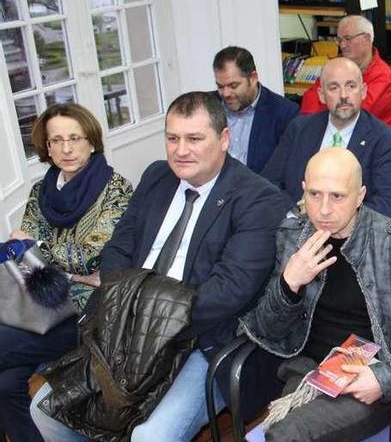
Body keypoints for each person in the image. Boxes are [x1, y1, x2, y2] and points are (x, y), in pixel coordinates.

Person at [30, 92, 289, 442]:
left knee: (150, 437)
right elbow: (115, 253)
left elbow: (225, 294)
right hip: (123, 328)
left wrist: (143, 314)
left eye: (195, 139)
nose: (181, 150)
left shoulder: (259, 199)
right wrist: (130, 314)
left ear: (224, 139)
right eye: (172, 138)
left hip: (198, 341)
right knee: (45, 411)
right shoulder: (157, 177)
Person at [237, 148, 391, 441]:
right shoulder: (292, 236)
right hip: (307, 371)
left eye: (338, 196)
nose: (325, 209)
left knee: (285, 435)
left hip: (368, 378)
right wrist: (288, 284)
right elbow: (267, 330)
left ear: (360, 195)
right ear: (303, 192)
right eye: (315, 195)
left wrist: (386, 378)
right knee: (285, 432)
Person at [0, 104, 132, 442]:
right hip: (36, 308)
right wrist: (68, 269)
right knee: (3, 385)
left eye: (75, 138)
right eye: (56, 140)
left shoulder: (116, 190)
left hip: (87, 314)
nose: (66, 148)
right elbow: (22, 258)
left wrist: (41, 253)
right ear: (46, 147)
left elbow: (89, 257)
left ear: (92, 141)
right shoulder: (41, 190)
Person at [262, 58, 391, 220]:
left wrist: (333, 221)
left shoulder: (386, 141)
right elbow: (269, 184)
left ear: (363, 91)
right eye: (334, 87)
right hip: (294, 226)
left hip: (353, 237)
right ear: (321, 95)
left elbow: (390, 204)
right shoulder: (299, 129)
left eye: (351, 86)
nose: (344, 95)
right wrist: (295, 215)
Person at [300, 16, 391, 129]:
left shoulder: (383, 76)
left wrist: (327, 101)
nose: (342, 45)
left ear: (367, 38)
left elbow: (350, 114)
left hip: (369, 140)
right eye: (340, 40)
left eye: (348, 39)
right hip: (332, 131)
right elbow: (310, 97)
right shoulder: (338, 66)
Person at [212, 46, 299, 174]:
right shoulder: (207, 106)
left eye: (233, 86)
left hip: (260, 192)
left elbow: (287, 172)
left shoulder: (284, 113)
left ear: (253, 78)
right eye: (220, 86)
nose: (226, 94)